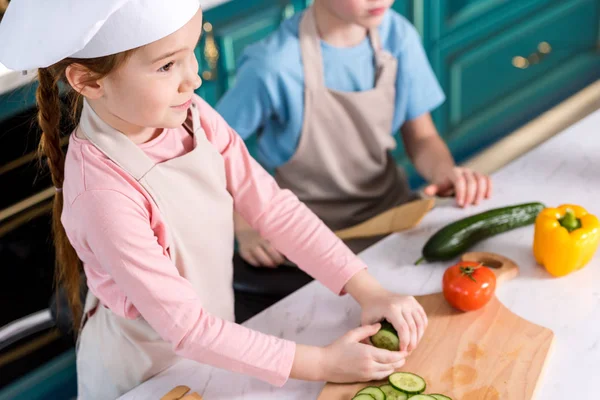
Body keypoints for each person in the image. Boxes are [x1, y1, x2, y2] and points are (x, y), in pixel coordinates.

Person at [0, 1, 428, 398]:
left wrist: (367, 289)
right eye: (167, 65)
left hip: (222, 347)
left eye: (190, 53)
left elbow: (273, 208)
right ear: (88, 81)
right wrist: (320, 362)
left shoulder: (193, 115)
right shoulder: (103, 194)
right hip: (149, 375)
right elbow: (187, 328)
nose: (194, 78)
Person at [216, 0, 493, 267]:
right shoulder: (273, 66)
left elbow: (422, 137)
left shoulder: (398, 37)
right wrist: (244, 224)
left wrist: (443, 171)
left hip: (393, 216)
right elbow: (213, 152)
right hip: (305, 236)